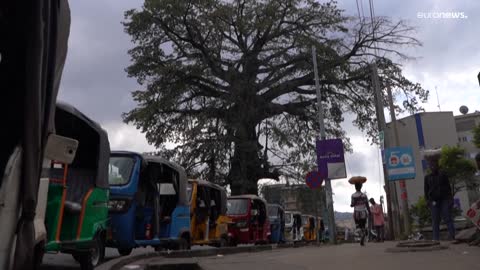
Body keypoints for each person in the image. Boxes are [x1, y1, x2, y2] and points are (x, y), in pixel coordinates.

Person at [424, 153, 455, 241]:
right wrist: (428, 201)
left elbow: (448, 187)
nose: (432, 166)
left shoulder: (443, 174)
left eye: (434, 164)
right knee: (435, 220)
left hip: (444, 199)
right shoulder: (427, 178)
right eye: (430, 165)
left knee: (447, 217)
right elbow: (426, 191)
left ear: (437, 165)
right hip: (433, 201)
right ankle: (435, 239)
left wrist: (450, 199)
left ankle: (452, 236)